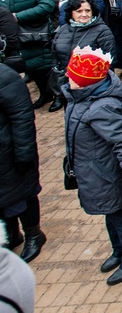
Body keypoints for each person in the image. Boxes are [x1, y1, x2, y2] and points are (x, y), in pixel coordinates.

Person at [62, 47, 122, 285]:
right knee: (109, 213)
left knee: (120, 214)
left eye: (72, 76)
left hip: (107, 174)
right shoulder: (79, 98)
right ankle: (119, 251)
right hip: (93, 172)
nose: (67, 79)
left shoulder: (102, 107)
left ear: (84, 82)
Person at [0, 63, 43, 263]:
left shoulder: (5, 77)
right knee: (4, 197)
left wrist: (24, 153)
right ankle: (12, 234)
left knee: (24, 194)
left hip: (11, 151)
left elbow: (22, 117)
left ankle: (33, 234)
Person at [0, 0, 56, 108]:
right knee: (26, 66)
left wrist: (17, 16)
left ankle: (53, 93)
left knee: (42, 66)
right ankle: (43, 93)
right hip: (12, 34)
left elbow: (46, 6)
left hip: (35, 31)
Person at [49, 0, 114, 112]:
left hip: (92, 88)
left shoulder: (102, 31)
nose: (84, 14)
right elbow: (54, 54)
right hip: (67, 85)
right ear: (71, 13)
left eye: (87, 11)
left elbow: (109, 60)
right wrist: (58, 70)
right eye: (79, 11)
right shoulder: (63, 29)